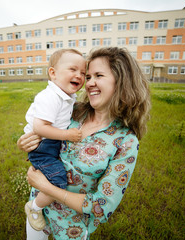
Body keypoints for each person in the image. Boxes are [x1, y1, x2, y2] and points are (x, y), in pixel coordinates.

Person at [18, 47, 151, 240]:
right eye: (88, 77)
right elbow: (40, 130)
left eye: (98, 75)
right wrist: (24, 142)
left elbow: (101, 205)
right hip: (38, 212)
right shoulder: (73, 111)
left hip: (71, 228)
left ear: (121, 81)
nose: (89, 83)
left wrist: (47, 188)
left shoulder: (126, 141)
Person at [23, 49, 86, 231]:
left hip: (49, 144)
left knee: (54, 175)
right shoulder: (49, 97)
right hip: (42, 146)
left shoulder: (66, 96)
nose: (79, 76)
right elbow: (39, 128)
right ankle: (35, 208)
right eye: (73, 69)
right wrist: (67, 135)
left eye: (83, 73)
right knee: (58, 180)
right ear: (53, 73)